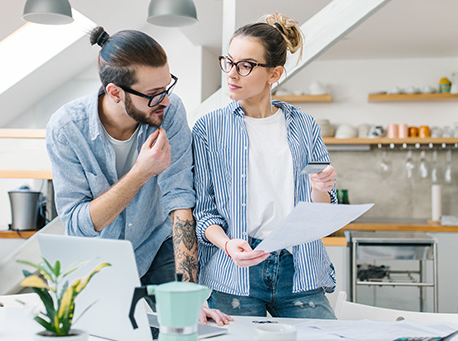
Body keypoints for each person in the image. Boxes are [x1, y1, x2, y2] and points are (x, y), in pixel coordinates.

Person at [46, 26, 231, 325]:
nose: (166, 101)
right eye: (153, 94)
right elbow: (80, 225)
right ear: (115, 93)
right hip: (100, 255)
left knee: (185, 324)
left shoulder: (169, 113)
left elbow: (180, 201)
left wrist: (189, 294)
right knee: (107, 330)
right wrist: (141, 173)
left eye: (167, 87)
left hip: (158, 244)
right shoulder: (67, 128)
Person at [192, 13, 338, 319]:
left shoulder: (305, 126)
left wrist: (320, 188)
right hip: (236, 271)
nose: (232, 73)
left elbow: (322, 210)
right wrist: (228, 244)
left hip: (299, 267)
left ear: (274, 74)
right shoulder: (208, 129)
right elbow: (204, 212)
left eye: (245, 66)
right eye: (229, 62)